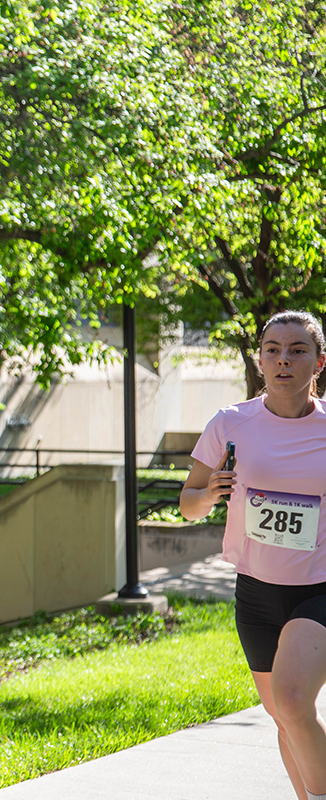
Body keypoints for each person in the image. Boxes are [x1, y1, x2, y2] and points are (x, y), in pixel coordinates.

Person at [181, 310, 326, 800]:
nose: (283, 359)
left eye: (297, 350)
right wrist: (211, 494)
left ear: (319, 362)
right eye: (273, 350)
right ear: (260, 360)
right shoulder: (230, 424)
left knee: (290, 697)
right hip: (258, 592)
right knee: (285, 718)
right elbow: (188, 504)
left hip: (320, 587)